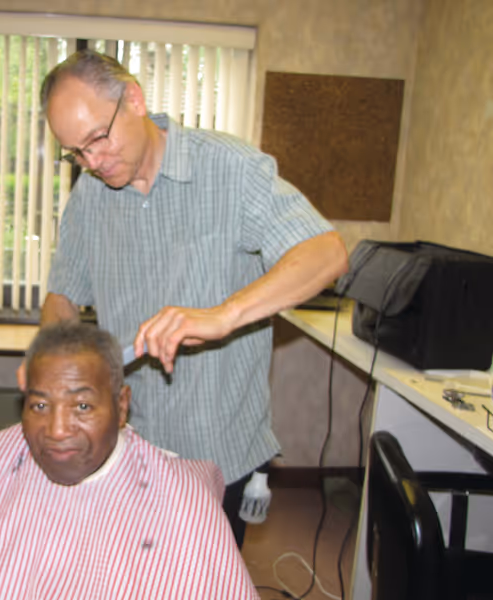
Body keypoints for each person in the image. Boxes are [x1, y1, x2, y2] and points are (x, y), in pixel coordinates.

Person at [26, 49, 349, 548]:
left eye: (97, 139)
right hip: (130, 444)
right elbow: (63, 297)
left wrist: (223, 316)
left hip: (216, 447)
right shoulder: (89, 198)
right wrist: (49, 364)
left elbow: (325, 253)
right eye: (76, 153)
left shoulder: (230, 168)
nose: (93, 161)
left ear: (133, 98)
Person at [0, 323, 259, 600]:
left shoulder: (180, 502)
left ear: (121, 405)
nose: (57, 429)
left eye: (81, 405)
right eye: (40, 405)